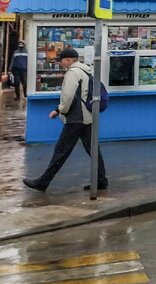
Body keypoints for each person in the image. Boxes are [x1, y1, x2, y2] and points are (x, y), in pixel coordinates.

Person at [22, 47, 108, 192]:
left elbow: (68, 96)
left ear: (68, 60)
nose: (61, 64)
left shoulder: (73, 73)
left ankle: (43, 182)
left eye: (62, 61)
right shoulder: (87, 70)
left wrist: (59, 110)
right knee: (93, 149)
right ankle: (101, 180)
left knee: (61, 151)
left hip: (76, 118)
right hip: (87, 116)